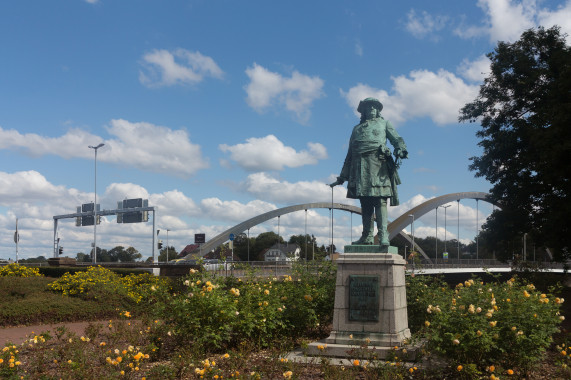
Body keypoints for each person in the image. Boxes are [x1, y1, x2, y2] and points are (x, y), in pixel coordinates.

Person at [329, 98, 407, 250]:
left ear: (378, 110)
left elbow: (397, 139)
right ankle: (367, 236)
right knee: (365, 204)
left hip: (378, 164)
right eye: (367, 107)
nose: (371, 109)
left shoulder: (385, 123)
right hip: (359, 166)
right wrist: (342, 177)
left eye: (374, 107)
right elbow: (350, 154)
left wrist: (400, 148)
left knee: (380, 201)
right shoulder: (356, 129)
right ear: (363, 111)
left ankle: (383, 234)